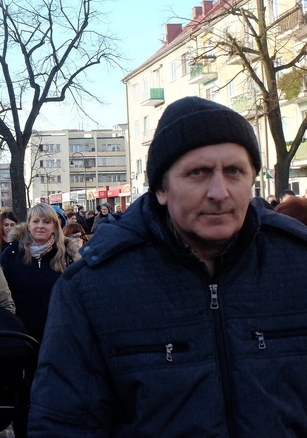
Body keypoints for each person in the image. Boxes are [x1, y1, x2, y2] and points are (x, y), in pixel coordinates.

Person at [28, 96, 307, 436]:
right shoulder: (92, 289)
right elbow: (64, 425)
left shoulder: (297, 263)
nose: (219, 192)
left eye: (234, 171)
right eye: (198, 173)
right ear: (161, 188)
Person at [0, 203, 79, 343]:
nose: (40, 226)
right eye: (36, 221)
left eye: (46, 222)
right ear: (28, 225)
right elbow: (1, 295)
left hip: (58, 334)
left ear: (54, 226)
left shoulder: (67, 255)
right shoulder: (11, 254)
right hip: (20, 334)